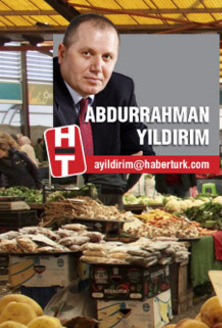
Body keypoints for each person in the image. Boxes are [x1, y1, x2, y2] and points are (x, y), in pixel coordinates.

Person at [53, 12, 153, 205]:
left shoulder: (121, 88)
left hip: (107, 201)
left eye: (107, 57)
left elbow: (141, 150)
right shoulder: (45, 88)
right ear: (63, 54)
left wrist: (115, 188)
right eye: (86, 53)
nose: (97, 67)